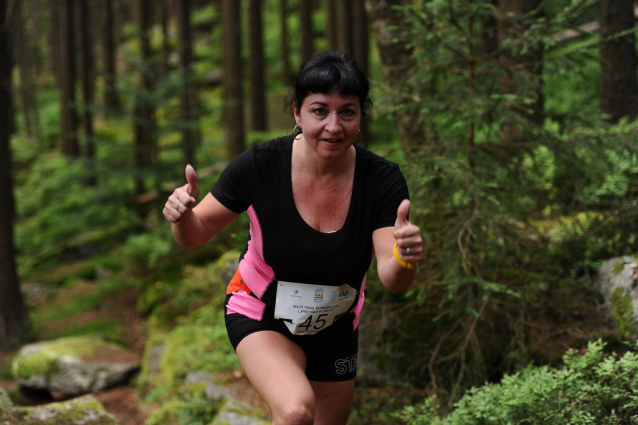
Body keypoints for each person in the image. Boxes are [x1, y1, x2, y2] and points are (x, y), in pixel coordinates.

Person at [163, 50, 423, 425]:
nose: (333, 126)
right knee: (295, 411)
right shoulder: (260, 165)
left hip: (336, 328)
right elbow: (196, 232)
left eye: (347, 112)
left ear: (360, 117)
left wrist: (406, 257)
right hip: (259, 311)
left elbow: (392, 278)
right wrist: (181, 216)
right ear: (297, 112)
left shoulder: (381, 181)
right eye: (320, 111)